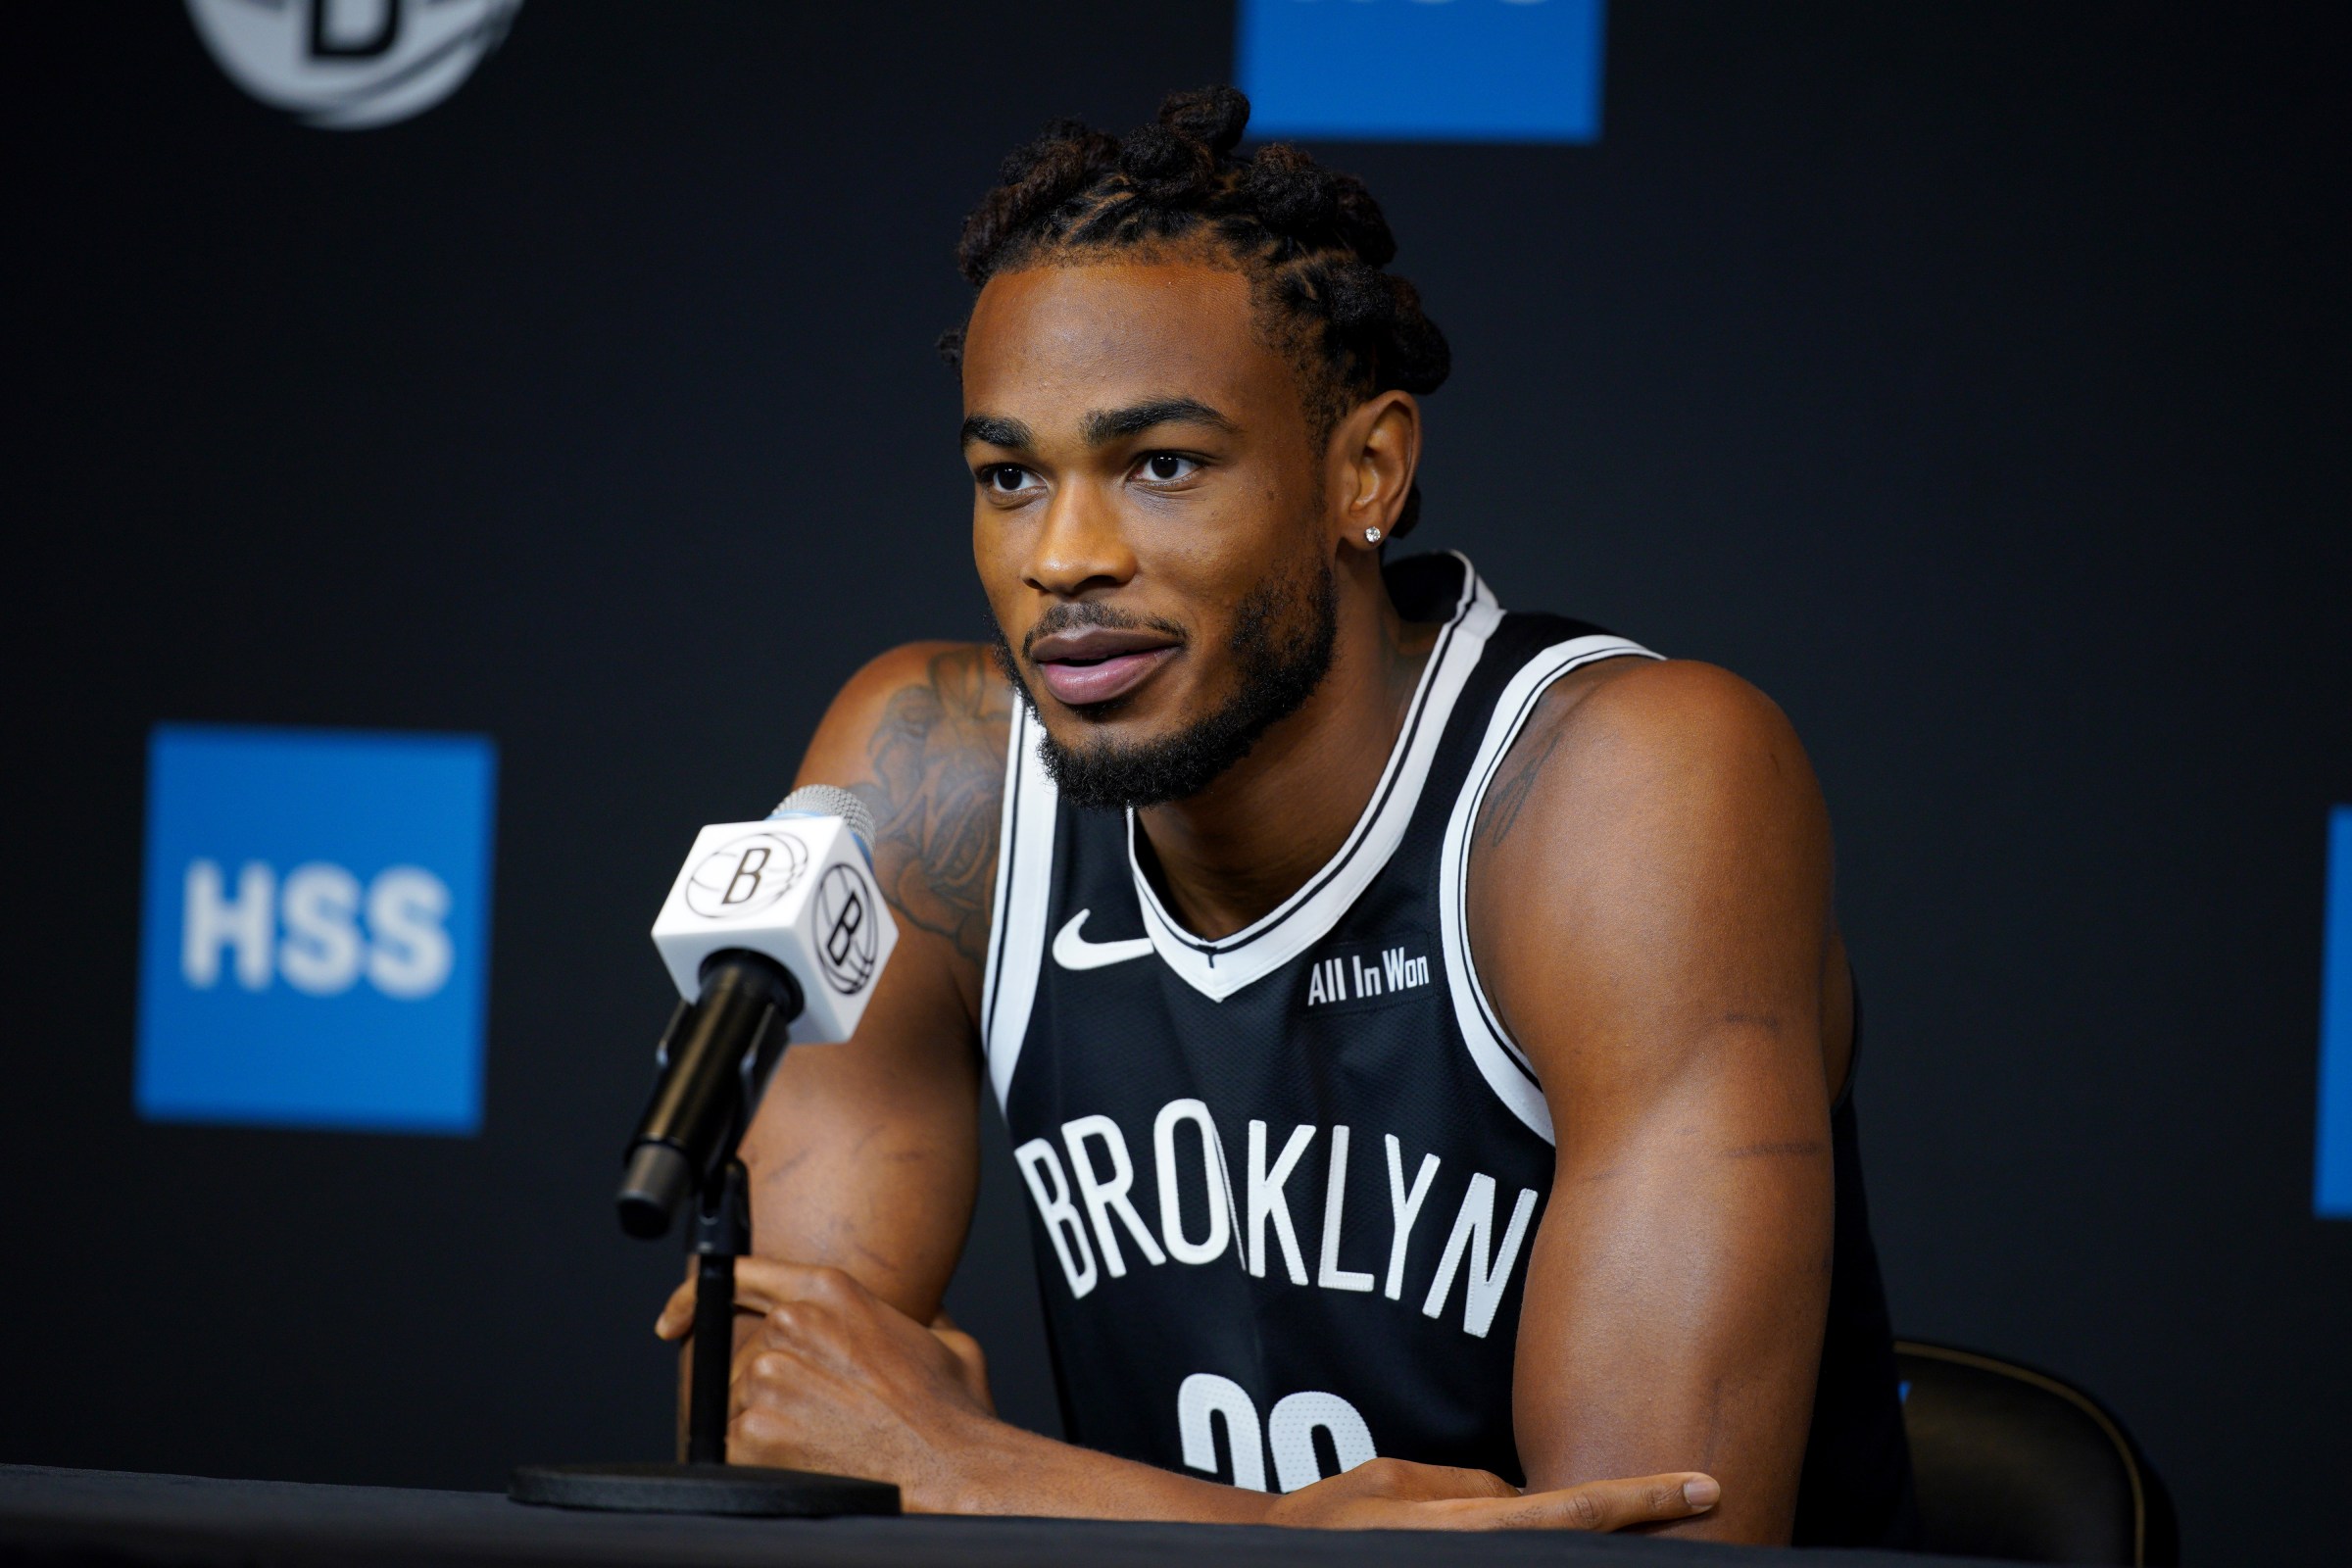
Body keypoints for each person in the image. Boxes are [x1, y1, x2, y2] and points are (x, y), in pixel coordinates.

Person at [655, 85, 1915, 1544]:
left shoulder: (1619, 786)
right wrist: (1291, 1543)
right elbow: (775, 1423)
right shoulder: (937, 782)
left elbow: (1651, 1548)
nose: (1064, 557)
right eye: (1011, 478)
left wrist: (986, 1473)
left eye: (1162, 466)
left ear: (1362, 473)